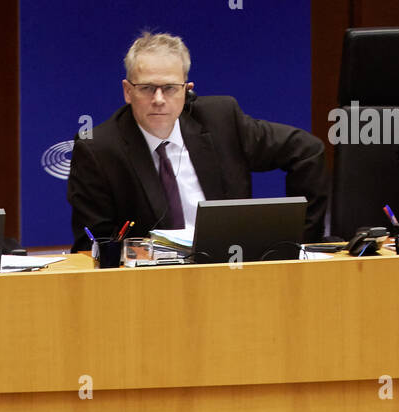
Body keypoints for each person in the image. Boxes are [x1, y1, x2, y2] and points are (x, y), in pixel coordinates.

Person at [67, 30, 328, 252]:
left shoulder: (221, 120)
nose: (158, 99)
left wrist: (301, 244)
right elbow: (92, 245)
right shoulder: (99, 149)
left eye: (169, 88)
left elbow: (307, 151)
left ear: (186, 90)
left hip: (230, 266)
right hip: (151, 284)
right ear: (127, 91)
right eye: (147, 88)